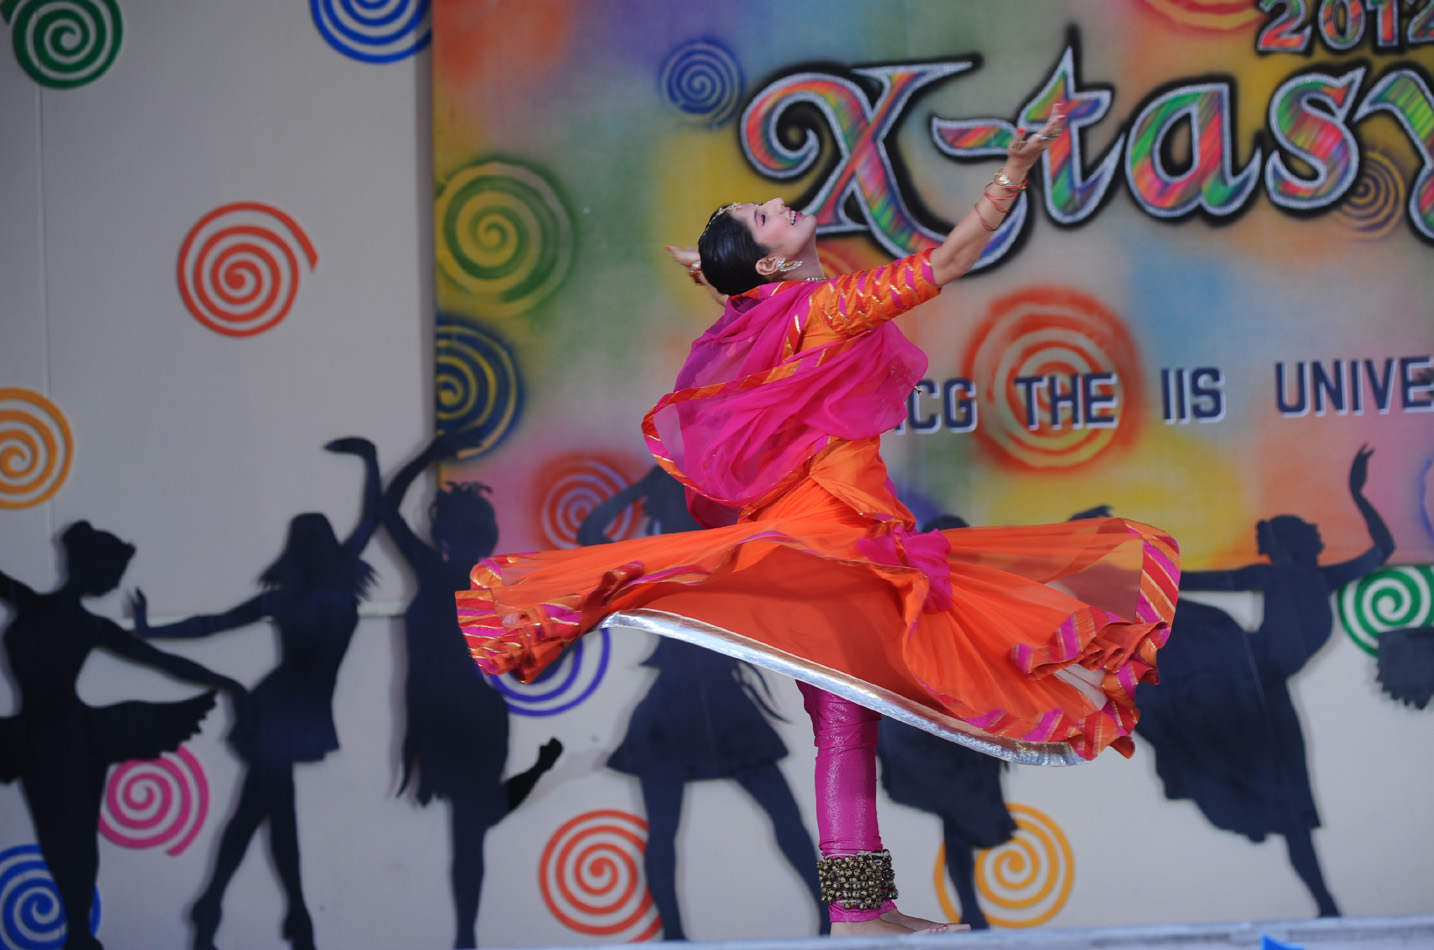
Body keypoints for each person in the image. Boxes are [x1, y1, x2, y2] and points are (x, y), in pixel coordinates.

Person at [457, 105, 1181, 937]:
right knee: (848, 722)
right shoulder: (826, 308)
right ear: (771, 259)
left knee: (847, 724)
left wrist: (712, 266)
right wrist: (1014, 171)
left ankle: (861, 906)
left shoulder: (764, 313)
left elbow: (740, 300)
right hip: (830, 541)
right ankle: (855, 910)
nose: (780, 204)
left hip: (821, 537)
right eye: (764, 216)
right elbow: (949, 259)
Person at [132, 438, 381, 950]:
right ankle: (294, 917)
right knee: (275, 811)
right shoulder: (304, 595)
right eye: (319, 540)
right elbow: (212, 624)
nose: (323, 546)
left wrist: (371, 459)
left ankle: (217, 907)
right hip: (283, 712)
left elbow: (371, 516)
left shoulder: (304, 594)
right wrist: (150, 630)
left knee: (253, 813)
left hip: (291, 711)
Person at [1135, 445, 1393, 918]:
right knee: (1182, 624)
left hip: (1267, 695)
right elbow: (1193, 582)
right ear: (1290, 543)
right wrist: (1146, 567)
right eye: (1308, 531)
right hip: (1249, 678)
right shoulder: (1269, 576)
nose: (1318, 535)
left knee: (1294, 809)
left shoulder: (1322, 577)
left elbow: (1383, 551)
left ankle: (1325, 905)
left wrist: (1358, 493)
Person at [0, 521, 246, 950]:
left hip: (56, 735)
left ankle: (79, 934)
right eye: (114, 574)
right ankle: (79, 934)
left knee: (71, 835)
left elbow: (162, 661)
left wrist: (229, 683)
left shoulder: (50, 612)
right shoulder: (74, 620)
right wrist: (229, 684)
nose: (115, 585)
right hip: (55, 735)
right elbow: (162, 661)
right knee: (65, 835)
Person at [378, 430, 562, 950]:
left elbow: (387, 507)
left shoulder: (471, 585)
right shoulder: (465, 583)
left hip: (460, 712)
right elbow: (386, 508)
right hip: (456, 713)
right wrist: (430, 453)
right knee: (472, 826)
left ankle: (465, 938)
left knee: (472, 825)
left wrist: (429, 454)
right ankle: (465, 937)